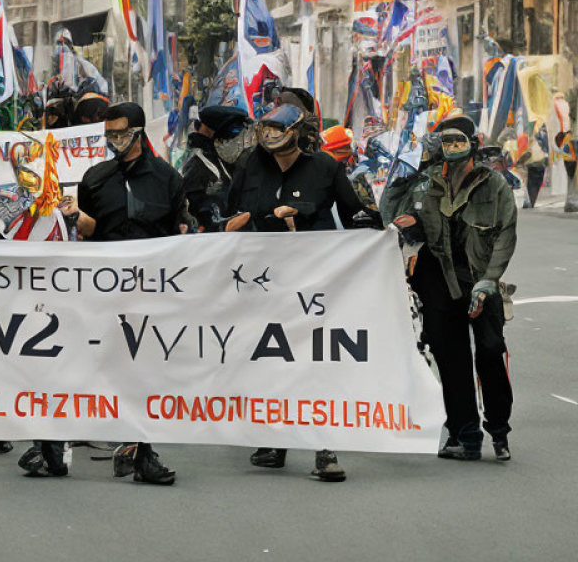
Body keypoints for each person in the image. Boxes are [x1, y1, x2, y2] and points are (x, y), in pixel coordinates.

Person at [225, 101, 378, 482]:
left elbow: (359, 214)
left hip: (314, 282)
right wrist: (233, 224)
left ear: (296, 132)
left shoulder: (325, 167)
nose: (269, 136)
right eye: (265, 130)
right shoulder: (249, 165)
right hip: (262, 281)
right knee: (269, 360)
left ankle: (325, 448)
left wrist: (309, 215)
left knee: (315, 362)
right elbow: (229, 213)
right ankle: (273, 440)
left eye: (277, 130)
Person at [45, 102, 183, 485]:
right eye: (109, 135)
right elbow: (90, 230)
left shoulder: (167, 179)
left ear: (139, 134)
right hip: (100, 292)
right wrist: (76, 217)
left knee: (143, 373)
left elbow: (177, 238)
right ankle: (51, 446)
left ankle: (142, 452)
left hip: (149, 293)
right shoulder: (95, 177)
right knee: (83, 365)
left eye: (122, 134)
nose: (115, 142)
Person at [390, 115, 517, 461]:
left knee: (490, 351)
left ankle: (499, 430)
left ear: (472, 144)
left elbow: (505, 234)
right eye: (445, 142)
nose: (452, 148)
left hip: (481, 282)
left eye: (458, 141)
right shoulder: (426, 182)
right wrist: (403, 174)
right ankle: (465, 435)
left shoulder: (494, 185)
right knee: (451, 358)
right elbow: (392, 213)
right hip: (438, 283)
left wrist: (490, 280)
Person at [182, 106, 251, 232]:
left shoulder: (229, 160)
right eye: (231, 139)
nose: (239, 145)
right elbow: (199, 214)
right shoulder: (198, 166)